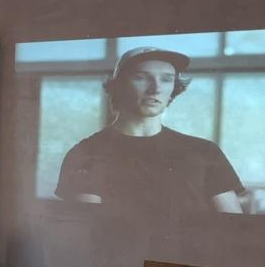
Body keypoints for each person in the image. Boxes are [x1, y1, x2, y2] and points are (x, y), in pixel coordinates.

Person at [55, 47, 244, 213]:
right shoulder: (86, 153)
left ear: (173, 90)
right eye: (141, 77)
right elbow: (89, 230)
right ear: (119, 86)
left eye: (166, 79)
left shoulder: (205, 152)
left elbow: (234, 227)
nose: (155, 89)